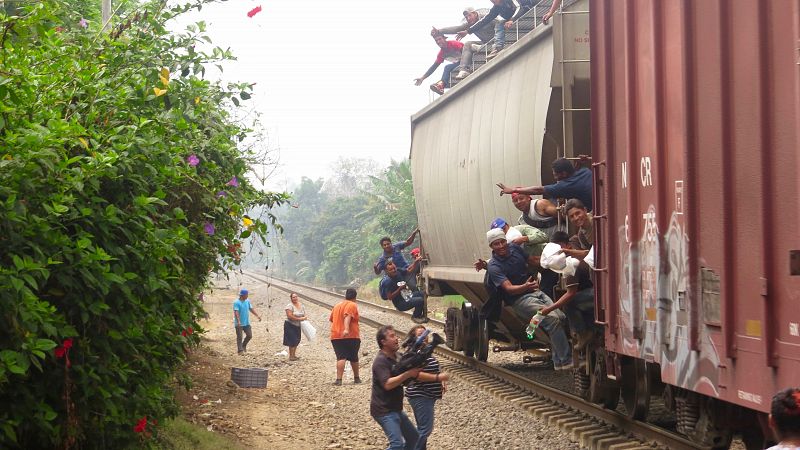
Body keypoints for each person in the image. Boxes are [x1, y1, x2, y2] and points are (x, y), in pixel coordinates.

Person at [475, 228, 573, 369]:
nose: (501, 246)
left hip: (535, 291)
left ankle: (557, 361)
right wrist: (526, 286)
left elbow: (531, 260)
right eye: (496, 244)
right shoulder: (494, 266)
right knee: (552, 320)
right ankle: (566, 360)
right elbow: (508, 288)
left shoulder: (515, 248)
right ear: (491, 246)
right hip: (520, 300)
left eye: (502, 242)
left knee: (562, 318)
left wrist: (555, 260)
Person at [539, 231, 596, 350]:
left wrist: (549, 309)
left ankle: (583, 333)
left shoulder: (571, 264)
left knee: (570, 303)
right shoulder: (574, 251)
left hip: (596, 293)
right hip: (594, 290)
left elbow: (570, 294)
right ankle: (590, 329)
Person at [371, 325, 422, 450]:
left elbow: (405, 377)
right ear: (383, 342)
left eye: (396, 335)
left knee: (414, 439)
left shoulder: (398, 356)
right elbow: (387, 384)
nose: (396, 339)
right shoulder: (380, 361)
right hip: (384, 411)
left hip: (396, 408)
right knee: (397, 445)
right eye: (392, 336)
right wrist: (408, 374)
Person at [403, 325, 451, 450]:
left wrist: (440, 380)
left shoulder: (424, 351)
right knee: (425, 430)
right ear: (413, 337)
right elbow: (416, 374)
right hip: (420, 394)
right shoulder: (414, 352)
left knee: (421, 429)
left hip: (427, 394)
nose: (424, 337)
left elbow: (432, 367)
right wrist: (438, 378)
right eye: (420, 335)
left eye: (425, 334)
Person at [497, 156, 594, 211]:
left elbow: (538, 190)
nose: (555, 178)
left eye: (556, 175)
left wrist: (514, 190)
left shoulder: (564, 186)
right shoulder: (584, 170)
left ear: (564, 173)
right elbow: (575, 179)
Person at [436, 7, 493, 79]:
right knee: (468, 44)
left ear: (475, 14)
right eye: (466, 17)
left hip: (497, 39)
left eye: (469, 15)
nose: (468, 18)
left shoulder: (486, 16)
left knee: (493, 40)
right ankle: (464, 71)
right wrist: (439, 31)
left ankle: (483, 47)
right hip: (486, 42)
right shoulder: (469, 24)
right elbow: (457, 29)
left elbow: (499, 21)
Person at [414, 29, 464, 95]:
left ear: (444, 38)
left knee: (447, 67)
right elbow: (434, 66)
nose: (438, 41)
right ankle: (442, 86)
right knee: (449, 69)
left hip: (467, 59)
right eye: (436, 40)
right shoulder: (441, 54)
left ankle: (441, 85)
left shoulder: (453, 44)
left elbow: (465, 51)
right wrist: (422, 78)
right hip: (459, 63)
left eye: (440, 39)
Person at [329, 288, 361, 385]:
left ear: (345, 295)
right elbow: (347, 316)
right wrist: (346, 329)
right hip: (351, 335)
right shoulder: (352, 305)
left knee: (341, 357)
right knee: (354, 357)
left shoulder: (337, 305)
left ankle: (339, 380)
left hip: (336, 336)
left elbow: (331, 319)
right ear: (355, 297)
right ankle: (356, 378)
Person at [233, 289, 261, 354]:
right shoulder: (236, 302)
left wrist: (257, 315)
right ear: (242, 295)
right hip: (239, 323)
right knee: (239, 337)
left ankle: (243, 345)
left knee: (249, 335)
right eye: (247, 295)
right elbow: (236, 312)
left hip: (246, 322)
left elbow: (251, 309)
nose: (247, 296)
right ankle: (240, 350)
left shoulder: (247, 301)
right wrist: (239, 321)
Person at [283, 292, 307, 361]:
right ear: (291, 298)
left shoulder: (301, 305)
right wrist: (300, 319)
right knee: (292, 340)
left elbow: (304, 314)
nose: (295, 298)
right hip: (290, 325)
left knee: (297, 340)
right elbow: (290, 316)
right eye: (293, 297)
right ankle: (291, 356)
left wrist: (304, 318)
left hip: (298, 325)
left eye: (296, 297)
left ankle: (294, 355)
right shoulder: (289, 306)